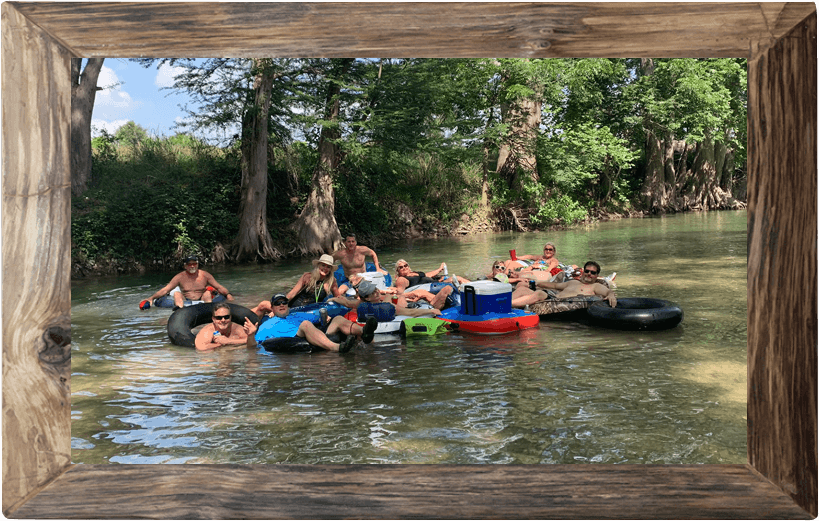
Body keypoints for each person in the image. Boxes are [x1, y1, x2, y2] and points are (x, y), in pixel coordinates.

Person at [254, 293, 377, 353]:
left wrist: (326, 316)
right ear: (272, 307)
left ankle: (364, 331)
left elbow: (318, 316)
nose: (281, 305)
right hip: (292, 339)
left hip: (313, 334)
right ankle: (337, 348)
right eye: (277, 303)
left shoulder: (297, 315)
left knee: (338, 318)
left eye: (284, 302)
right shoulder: (267, 324)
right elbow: (256, 344)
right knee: (306, 324)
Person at [510, 261, 617, 308]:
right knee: (522, 288)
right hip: (551, 298)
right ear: (583, 272)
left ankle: (507, 306)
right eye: (587, 271)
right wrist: (536, 283)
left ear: (597, 275)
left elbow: (608, 291)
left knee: (539, 294)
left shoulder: (596, 286)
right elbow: (554, 286)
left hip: (558, 304)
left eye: (592, 272)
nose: (589, 274)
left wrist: (611, 295)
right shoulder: (573, 282)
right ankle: (501, 303)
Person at [146, 256, 234, 310]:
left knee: (207, 293)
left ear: (197, 264)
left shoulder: (205, 275)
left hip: (201, 298)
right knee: (177, 293)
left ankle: (209, 309)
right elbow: (166, 289)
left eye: (194, 264)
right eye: (189, 264)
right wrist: (151, 298)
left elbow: (218, 287)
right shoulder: (180, 277)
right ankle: (180, 310)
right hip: (186, 300)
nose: (192, 266)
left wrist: (228, 294)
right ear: (185, 266)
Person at [329, 280, 443, 317]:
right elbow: (411, 312)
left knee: (389, 296)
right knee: (389, 296)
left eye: (376, 289)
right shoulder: (389, 307)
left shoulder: (360, 304)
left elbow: (347, 302)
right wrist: (431, 310)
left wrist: (333, 299)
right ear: (367, 298)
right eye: (373, 292)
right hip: (392, 311)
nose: (377, 291)